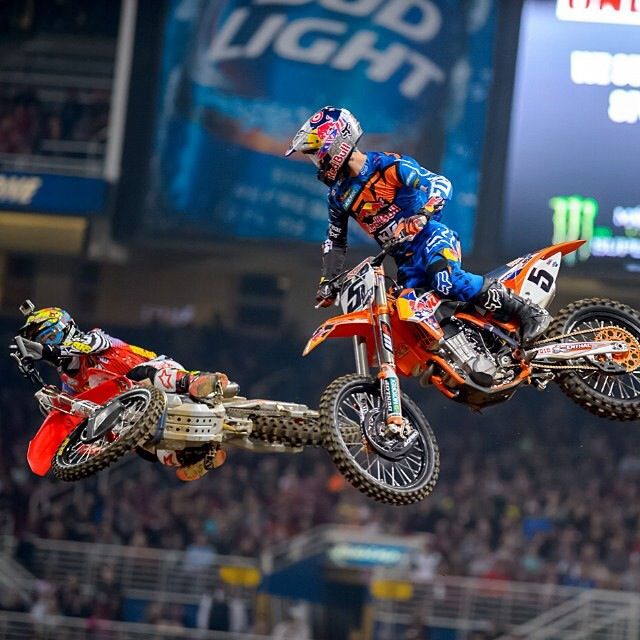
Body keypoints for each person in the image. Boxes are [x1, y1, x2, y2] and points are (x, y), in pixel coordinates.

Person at [285, 106, 550, 344]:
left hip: (431, 238)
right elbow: (335, 240)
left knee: (445, 281)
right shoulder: (339, 196)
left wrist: (424, 213)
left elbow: (440, 183)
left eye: (316, 154)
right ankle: (479, 345)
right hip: (404, 262)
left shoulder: (387, 165)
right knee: (414, 320)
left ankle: (528, 311)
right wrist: (328, 281)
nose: (317, 163)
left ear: (335, 144)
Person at [11, 304, 229, 481]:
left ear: (65, 328)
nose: (46, 345)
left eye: (49, 338)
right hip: (138, 404)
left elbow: (89, 345)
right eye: (42, 343)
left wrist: (45, 352)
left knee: (137, 375)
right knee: (139, 445)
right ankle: (194, 457)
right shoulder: (68, 378)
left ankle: (194, 381)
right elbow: (78, 406)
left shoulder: (91, 337)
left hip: (154, 372)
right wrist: (54, 404)